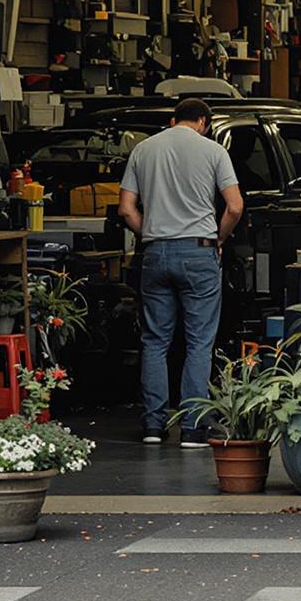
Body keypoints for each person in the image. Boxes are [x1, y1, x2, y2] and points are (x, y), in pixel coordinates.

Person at [117, 97, 242, 448]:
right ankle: (193, 428)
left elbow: (126, 209)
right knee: (199, 342)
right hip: (199, 252)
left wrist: (152, 233)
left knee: (155, 341)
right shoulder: (214, 151)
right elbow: (234, 206)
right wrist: (219, 238)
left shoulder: (143, 150)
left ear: (173, 120)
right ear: (203, 121)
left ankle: (154, 427)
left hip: (155, 253)